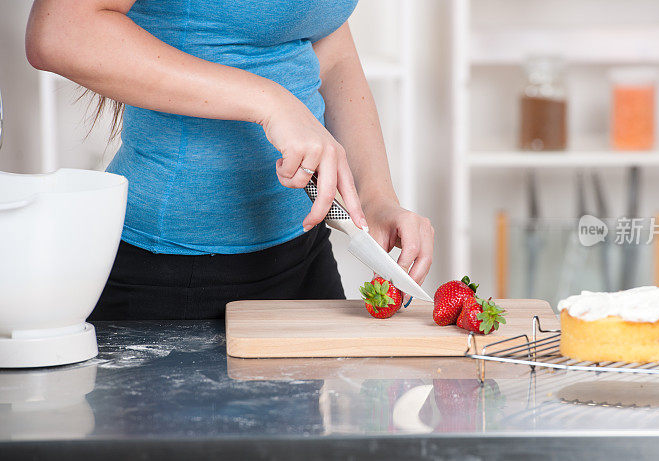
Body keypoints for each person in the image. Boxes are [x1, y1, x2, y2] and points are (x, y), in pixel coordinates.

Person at [26, 0, 434, 320]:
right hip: (171, 276)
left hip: (304, 254)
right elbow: (59, 32)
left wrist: (376, 195)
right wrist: (269, 102)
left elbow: (329, 45)